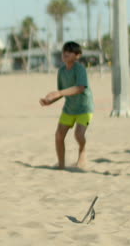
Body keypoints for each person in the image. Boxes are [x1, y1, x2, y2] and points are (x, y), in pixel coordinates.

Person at [39, 41, 94, 170]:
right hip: (69, 108)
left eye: (69, 51)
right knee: (59, 135)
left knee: (79, 135)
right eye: (64, 51)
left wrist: (58, 92)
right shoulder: (62, 71)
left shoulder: (80, 69)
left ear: (78, 55)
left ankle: (82, 151)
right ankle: (61, 164)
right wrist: (49, 101)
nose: (65, 53)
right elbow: (62, 93)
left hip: (84, 107)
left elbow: (80, 88)